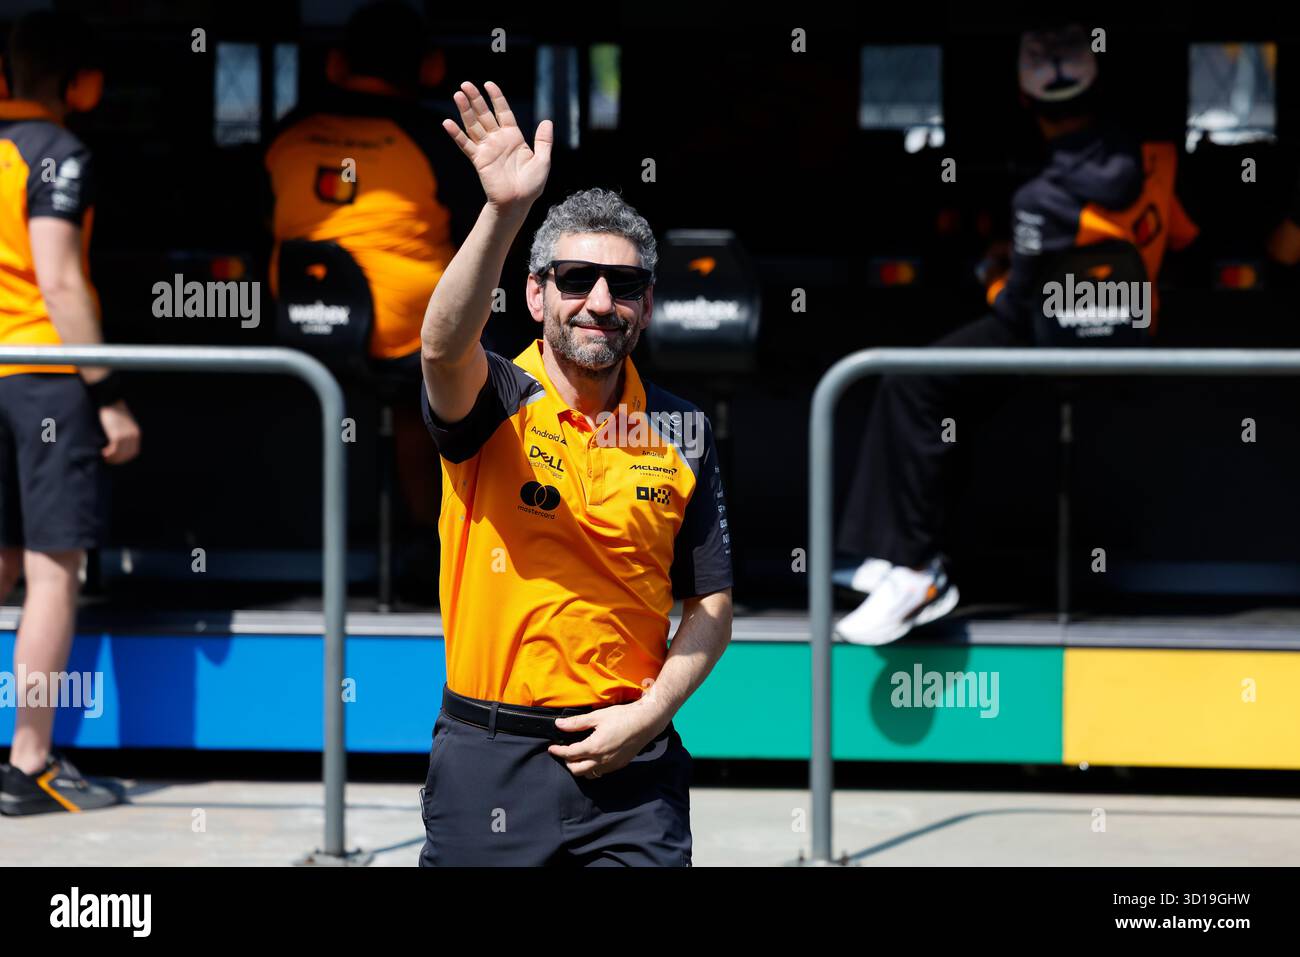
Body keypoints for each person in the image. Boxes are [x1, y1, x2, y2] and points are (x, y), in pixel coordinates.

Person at [417, 81, 733, 866]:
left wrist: (650, 714)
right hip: (490, 760)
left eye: (622, 286)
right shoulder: (494, 396)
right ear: (535, 294)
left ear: (646, 306)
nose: (599, 302)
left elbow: (712, 604)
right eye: (574, 279)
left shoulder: (682, 430)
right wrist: (504, 209)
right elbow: (439, 347)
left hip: (634, 770)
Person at [835, 22, 1198, 646]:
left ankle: (917, 571)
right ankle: (894, 555)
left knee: (907, 378)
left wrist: (995, 272)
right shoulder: (1158, 159)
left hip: (1054, 345)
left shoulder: (1039, 198)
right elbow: (1183, 239)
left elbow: (1016, 309)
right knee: (951, 389)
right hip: (1140, 334)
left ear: (1027, 102)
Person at [265, 0, 476, 543]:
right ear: (430, 69)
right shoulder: (441, 144)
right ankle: (440, 544)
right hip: (405, 338)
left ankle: (296, 531)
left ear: (336, 63)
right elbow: (485, 240)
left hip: (297, 322)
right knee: (462, 369)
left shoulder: (286, 136)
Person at [0, 11, 141, 814]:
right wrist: (110, 394)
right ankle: (30, 762)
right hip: (46, 378)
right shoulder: (59, 152)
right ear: (82, 84)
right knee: (54, 571)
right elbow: (58, 281)